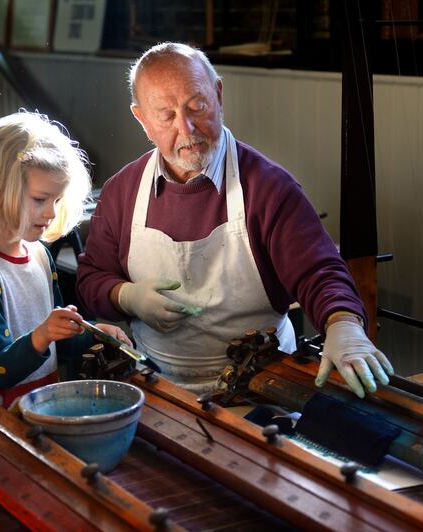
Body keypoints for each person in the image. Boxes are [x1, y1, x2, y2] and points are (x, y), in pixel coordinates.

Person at [77, 43, 393, 397]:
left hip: (265, 387)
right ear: (142, 120)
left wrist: (343, 324)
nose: (187, 127)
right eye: (166, 115)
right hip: (158, 390)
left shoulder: (269, 188)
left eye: (197, 105)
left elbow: (319, 273)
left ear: (219, 94)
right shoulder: (123, 192)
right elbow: (90, 280)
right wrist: (126, 296)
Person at [0, 111, 131, 408]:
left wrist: (95, 333)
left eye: (57, 200)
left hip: (41, 409)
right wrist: (44, 333)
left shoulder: (40, 255)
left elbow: (58, 343)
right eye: (40, 199)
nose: (51, 214)